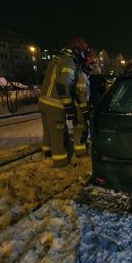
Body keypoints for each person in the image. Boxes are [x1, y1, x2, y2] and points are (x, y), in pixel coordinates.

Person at [38, 37, 89, 167]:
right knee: (57, 133)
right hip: (55, 104)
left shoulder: (57, 58)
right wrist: (69, 106)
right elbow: (62, 85)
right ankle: (60, 161)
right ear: (76, 50)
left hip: (44, 101)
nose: (83, 55)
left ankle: (47, 154)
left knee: (48, 131)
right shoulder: (69, 62)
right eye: (82, 52)